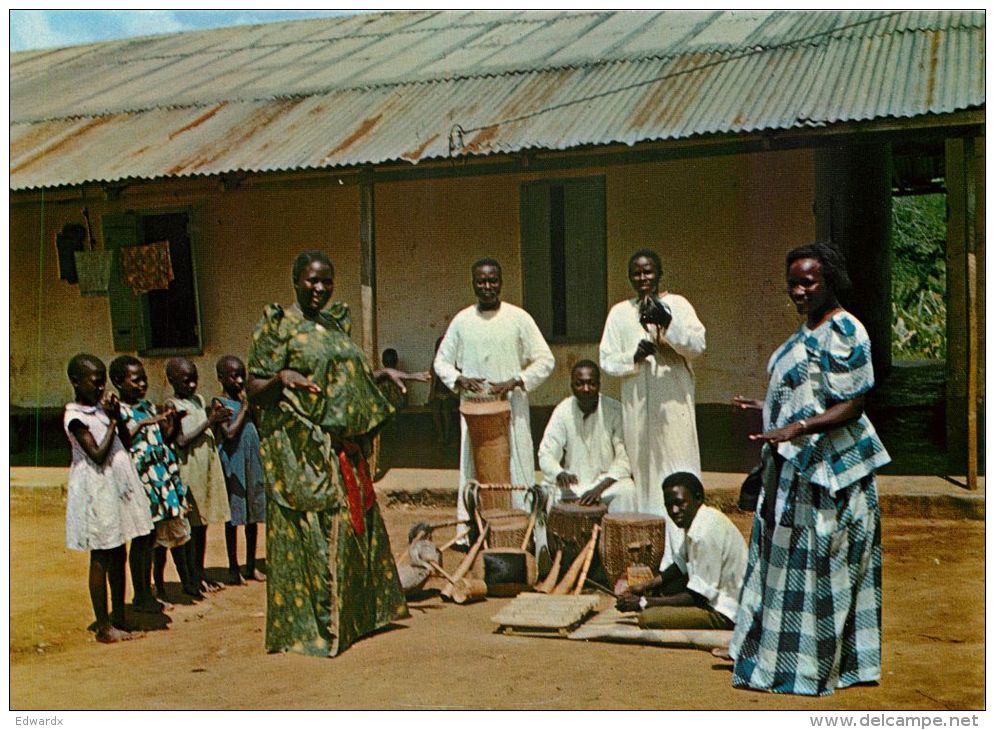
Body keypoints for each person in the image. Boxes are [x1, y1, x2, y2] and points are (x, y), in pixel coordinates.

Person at [728, 242, 890, 696]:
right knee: (791, 566)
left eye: (808, 282)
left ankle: (820, 668)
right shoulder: (807, 332)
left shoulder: (844, 331)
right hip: (798, 467)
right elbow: (812, 393)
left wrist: (794, 428)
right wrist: (768, 410)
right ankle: (786, 661)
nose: (798, 291)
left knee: (826, 569)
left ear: (829, 281)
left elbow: (852, 406)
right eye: (793, 283)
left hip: (832, 475)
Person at [247, 249, 411, 657]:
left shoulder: (332, 324)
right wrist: (281, 377)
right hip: (304, 451)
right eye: (312, 281)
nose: (320, 288)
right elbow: (253, 386)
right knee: (323, 531)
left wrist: (377, 374)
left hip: (342, 447)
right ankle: (320, 626)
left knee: (355, 525)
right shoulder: (278, 326)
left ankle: (356, 620)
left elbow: (336, 378)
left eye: (327, 281)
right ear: (296, 280)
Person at [434, 258, 555, 534]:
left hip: (512, 408)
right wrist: (460, 379)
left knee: (517, 464)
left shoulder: (518, 318)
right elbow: (442, 363)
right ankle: (472, 530)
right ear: (473, 284)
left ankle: (520, 530)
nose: (487, 286)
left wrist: (517, 380)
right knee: (474, 467)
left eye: (492, 281)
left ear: (501, 282)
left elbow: (545, 360)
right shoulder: (463, 321)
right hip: (476, 411)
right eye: (481, 282)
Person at [599, 249, 706, 516]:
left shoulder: (678, 305)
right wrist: (633, 356)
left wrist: (667, 325)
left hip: (673, 405)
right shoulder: (620, 313)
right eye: (636, 273)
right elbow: (607, 360)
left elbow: (697, 345)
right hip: (638, 408)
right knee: (644, 472)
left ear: (659, 273)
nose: (643, 277)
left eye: (648, 271)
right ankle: (653, 535)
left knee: (679, 464)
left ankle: (683, 534)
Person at [63, 353, 153, 643]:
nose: (101, 388)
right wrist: (113, 420)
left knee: (118, 552)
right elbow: (98, 455)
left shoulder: (101, 411)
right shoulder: (75, 416)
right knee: (101, 554)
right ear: (76, 382)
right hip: (95, 491)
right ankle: (104, 626)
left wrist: (116, 419)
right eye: (95, 382)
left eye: (103, 383)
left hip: (113, 489)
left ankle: (119, 616)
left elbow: (124, 442)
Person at [110, 355, 198, 608]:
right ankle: (142, 594)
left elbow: (163, 439)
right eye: (135, 380)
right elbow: (124, 443)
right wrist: (143, 423)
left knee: (154, 538)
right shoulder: (120, 413)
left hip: (160, 480)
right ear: (118, 382)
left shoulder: (148, 406)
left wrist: (173, 422)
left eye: (144, 380)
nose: (141, 385)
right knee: (142, 539)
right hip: (140, 482)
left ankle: (151, 591)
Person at [616, 472, 746, 631]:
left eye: (679, 503)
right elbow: (680, 563)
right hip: (713, 596)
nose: (674, 510)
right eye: (669, 505)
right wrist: (645, 586)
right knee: (662, 590)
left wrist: (644, 602)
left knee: (648, 618)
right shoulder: (698, 519)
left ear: (698, 498)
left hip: (725, 612)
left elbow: (699, 596)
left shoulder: (705, 533)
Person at [536, 359, 636, 556]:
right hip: (574, 485)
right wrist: (559, 473)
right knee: (544, 491)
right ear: (572, 385)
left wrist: (600, 487)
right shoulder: (563, 411)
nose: (586, 388)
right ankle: (548, 557)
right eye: (579, 383)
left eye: (591, 383)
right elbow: (546, 453)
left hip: (606, 484)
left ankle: (619, 557)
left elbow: (624, 458)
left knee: (628, 491)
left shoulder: (614, 410)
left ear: (599, 384)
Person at [166, 357, 232, 594]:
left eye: (195, 380)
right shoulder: (171, 406)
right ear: (172, 381)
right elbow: (181, 441)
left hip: (205, 469)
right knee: (190, 529)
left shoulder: (198, 400)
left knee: (202, 525)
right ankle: (190, 579)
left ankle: (200, 572)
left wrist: (216, 419)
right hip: (189, 471)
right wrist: (210, 421)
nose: (192, 385)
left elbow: (206, 430)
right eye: (186, 381)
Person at [213, 355, 266, 585]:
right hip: (233, 464)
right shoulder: (219, 403)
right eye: (233, 376)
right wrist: (244, 408)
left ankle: (251, 566)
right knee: (233, 517)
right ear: (221, 379)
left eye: (241, 375)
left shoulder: (246, 400)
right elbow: (229, 433)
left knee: (253, 514)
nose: (239, 380)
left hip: (252, 460)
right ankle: (233, 568)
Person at [428, 336, 459, 444]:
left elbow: (456, 383)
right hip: (438, 393)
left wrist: (451, 394)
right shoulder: (435, 363)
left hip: (451, 394)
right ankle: (440, 435)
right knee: (435, 409)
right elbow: (433, 381)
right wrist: (432, 395)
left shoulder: (454, 363)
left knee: (446, 410)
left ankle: (446, 435)